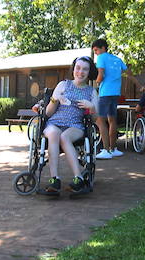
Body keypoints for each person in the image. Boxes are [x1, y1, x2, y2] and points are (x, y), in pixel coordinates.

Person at [34, 56, 99, 197]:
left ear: (89, 72)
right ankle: (54, 179)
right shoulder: (63, 85)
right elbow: (48, 113)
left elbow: (94, 118)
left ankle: (78, 178)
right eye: (78, 68)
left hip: (75, 125)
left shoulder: (91, 92)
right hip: (55, 122)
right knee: (53, 134)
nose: (80, 72)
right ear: (74, 68)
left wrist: (91, 107)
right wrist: (54, 99)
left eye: (85, 69)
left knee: (64, 137)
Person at [91, 39, 131, 159]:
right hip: (115, 93)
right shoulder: (117, 59)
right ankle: (113, 149)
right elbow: (128, 72)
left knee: (100, 120)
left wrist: (95, 83)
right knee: (112, 120)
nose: (96, 53)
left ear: (103, 48)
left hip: (105, 93)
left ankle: (106, 150)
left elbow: (100, 75)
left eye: (96, 50)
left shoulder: (102, 58)